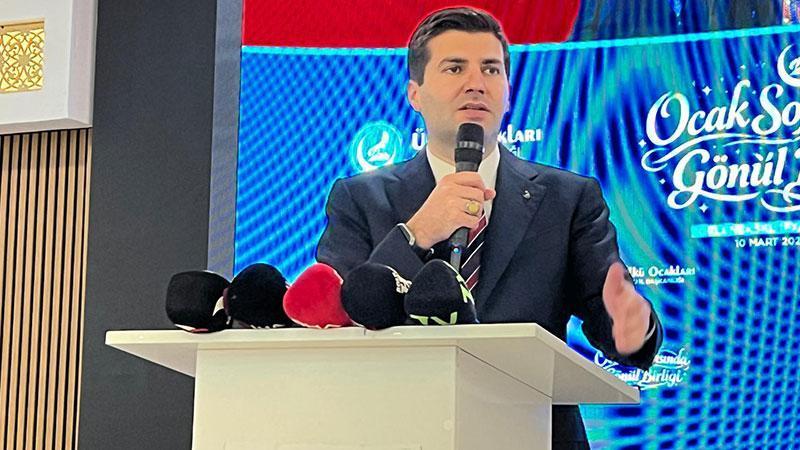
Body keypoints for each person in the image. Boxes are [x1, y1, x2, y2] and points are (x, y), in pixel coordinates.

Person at [316, 7, 663, 449]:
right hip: (400, 430)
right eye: (455, 68)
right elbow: (336, 318)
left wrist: (632, 328)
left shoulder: (568, 199)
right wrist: (415, 234)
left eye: (491, 69)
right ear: (414, 94)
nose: (476, 83)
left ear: (508, 92)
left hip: (534, 432)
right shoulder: (359, 198)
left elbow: (614, 319)